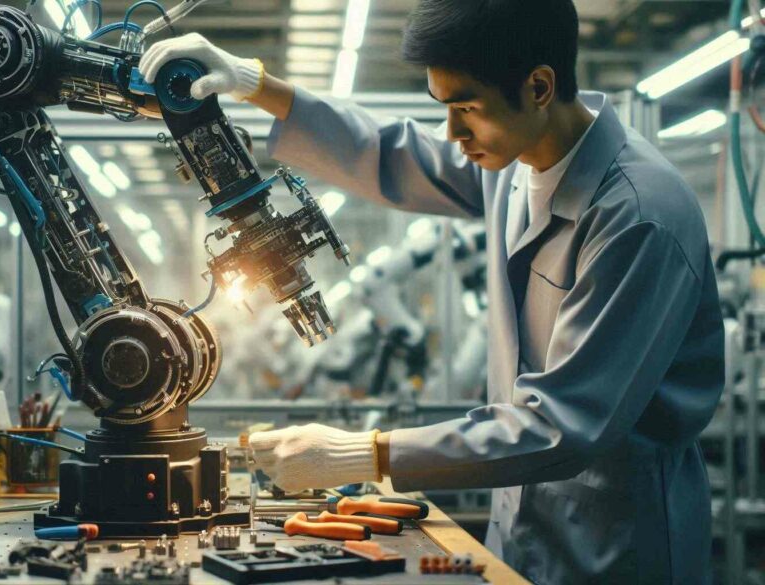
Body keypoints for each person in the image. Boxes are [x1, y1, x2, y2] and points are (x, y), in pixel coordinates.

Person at [140, 0, 724, 582]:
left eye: (467, 108)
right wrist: (256, 84)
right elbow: (391, 154)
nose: (453, 133)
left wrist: (364, 452)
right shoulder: (513, 165)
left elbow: (565, 426)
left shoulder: (639, 216)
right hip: (522, 526)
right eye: (443, 108)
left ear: (540, 86)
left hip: (621, 546)